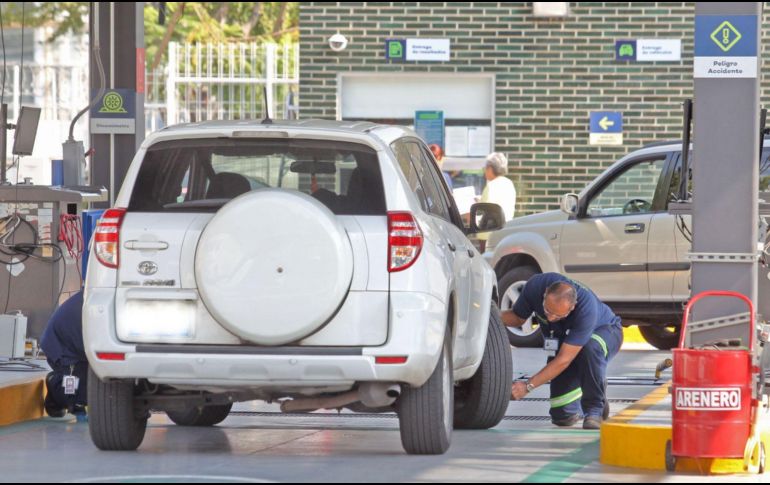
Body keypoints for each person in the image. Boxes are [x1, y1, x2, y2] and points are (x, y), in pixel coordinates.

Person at [501, 273, 623, 430]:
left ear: (572, 307)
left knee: (590, 347)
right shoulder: (535, 286)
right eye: (547, 310)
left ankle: (595, 409)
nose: (550, 318)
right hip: (567, 344)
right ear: (545, 294)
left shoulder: (586, 309)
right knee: (562, 417)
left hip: (607, 332)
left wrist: (527, 386)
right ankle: (591, 381)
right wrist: (491, 314)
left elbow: (564, 359)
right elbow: (518, 317)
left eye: (558, 315)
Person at [40, 291, 88, 418]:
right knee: (74, 393)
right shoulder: (94, 302)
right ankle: (55, 385)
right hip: (63, 348)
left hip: (75, 346)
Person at [480, 152, 516, 221]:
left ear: (490, 169)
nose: (484, 172)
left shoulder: (491, 186)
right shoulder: (509, 183)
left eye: (485, 168)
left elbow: (487, 215)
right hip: (507, 226)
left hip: (492, 230)